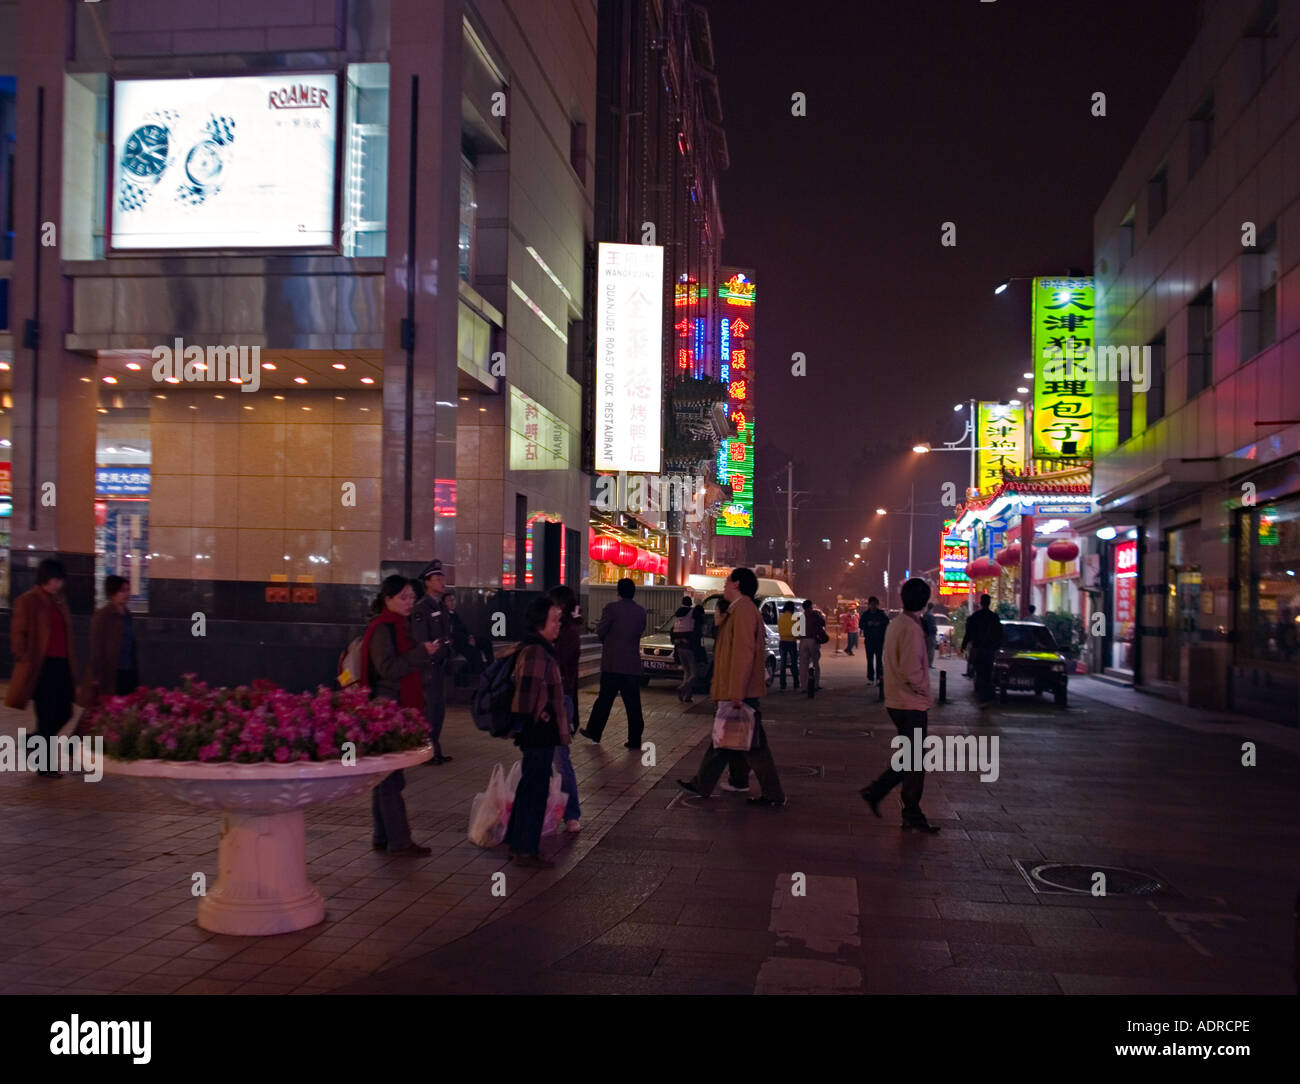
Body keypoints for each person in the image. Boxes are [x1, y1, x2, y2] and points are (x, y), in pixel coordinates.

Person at [678, 567, 785, 807]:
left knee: (752, 746)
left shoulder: (744, 611)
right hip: (735, 690)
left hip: (739, 692)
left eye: (727, 582)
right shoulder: (737, 611)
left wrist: (736, 691)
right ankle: (713, 782)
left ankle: (773, 793)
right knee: (726, 741)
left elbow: (743, 655)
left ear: (736, 584)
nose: (724, 586)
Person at [362, 575, 440, 855]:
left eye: (411, 597)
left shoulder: (398, 626)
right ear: (388, 599)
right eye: (403, 597)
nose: (409, 602)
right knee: (390, 777)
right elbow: (388, 669)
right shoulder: (383, 628)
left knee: (386, 776)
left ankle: (383, 836)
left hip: (395, 707)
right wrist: (421, 653)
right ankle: (399, 841)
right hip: (387, 708)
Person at [860, 578, 940, 833]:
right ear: (925, 601)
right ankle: (905, 808)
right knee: (915, 759)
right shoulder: (911, 629)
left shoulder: (897, 624)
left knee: (912, 756)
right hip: (910, 702)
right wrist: (925, 691)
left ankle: (882, 794)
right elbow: (910, 669)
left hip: (898, 699)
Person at [504, 594, 569, 868]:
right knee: (535, 789)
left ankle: (518, 842)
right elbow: (525, 698)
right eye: (554, 620)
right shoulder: (536, 652)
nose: (558, 625)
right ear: (540, 622)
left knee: (530, 785)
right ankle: (525, 849)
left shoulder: (541, 649)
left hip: (540, 732)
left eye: (559, 620)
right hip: (538, 733)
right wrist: (538, 718)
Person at [7, 559, 78, 778]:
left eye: (60, 580)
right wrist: (24, 657)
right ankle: (45, 766)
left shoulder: (59, 601)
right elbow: (18, 634)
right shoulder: (27, 601)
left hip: (61, 664)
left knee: (66, 710)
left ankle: (30, 741)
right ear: (46, 578)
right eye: (55, 580)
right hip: (41, 667)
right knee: (46, 716)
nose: (58, 584)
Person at [579, 577, 647, 749]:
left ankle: (594, 731)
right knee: (633, 705)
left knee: (604, 700)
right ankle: (635, 739)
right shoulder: (641, 612)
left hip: (613, 663)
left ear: (618, 591)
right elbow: (640, 631)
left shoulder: (611, 609)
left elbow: (600, 631)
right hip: (631, 664)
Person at [410, 560, 454, 765]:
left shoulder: (440, 606)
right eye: (437, 579)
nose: (442, 582)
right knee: (431, 710)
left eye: (442, 578)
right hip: (429, 667)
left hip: (441, 666)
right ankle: (427, 751)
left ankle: (434, 748)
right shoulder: (421, 609)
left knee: (439, 710)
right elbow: (422, 640)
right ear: (427, 583)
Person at [548, 585, 583, 832]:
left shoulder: (569, 634)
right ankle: (549, 811)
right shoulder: (549, 632)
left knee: (561, 759)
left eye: (558, 606)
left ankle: (571, 813)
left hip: (561, 699)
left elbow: (565, 673)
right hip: (543, 700)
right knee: (541, 759)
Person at [79, 574, 139, 710]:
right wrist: (96, 675)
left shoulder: (127, 614)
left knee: (127, 708)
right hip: (111, 671)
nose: (126, 594)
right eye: (122, 590)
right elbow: (97, 646)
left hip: (128, 669)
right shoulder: (103, 615)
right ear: (112, 593)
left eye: (128, 590)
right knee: (111, 709)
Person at [961, 593, 1004, 706]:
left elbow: (968, 633)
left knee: (980, 672)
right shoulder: (994, 617)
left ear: (981, 602)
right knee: (988, 672)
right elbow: (1000, 634)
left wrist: (964, 645)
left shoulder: (975, 616)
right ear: (989, 603)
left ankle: (984, 696)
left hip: (978, 649)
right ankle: (987, 696)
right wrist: (997, 646)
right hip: (990, 650)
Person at [444, 589, 494, 677]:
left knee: (486, 642)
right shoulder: (445, 616)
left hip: (465, 639)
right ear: (444, 603)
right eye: (449, 601)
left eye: (453, 600)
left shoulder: (454, 613)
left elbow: (463, 628)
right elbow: (453, 633)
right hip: (458, 642)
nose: (452, 602)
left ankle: (491, 666)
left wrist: (470, 636)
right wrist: (468, 640)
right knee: (475, 654)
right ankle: (464, 673)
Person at [670, 594, 704, 703]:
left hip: (679, 646)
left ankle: (687, 696)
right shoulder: (693, 613)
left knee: (687, 671)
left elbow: (673, 630)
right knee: (694, 673)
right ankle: (683, 688)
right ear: (690, 603)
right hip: (690, 645)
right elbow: (698, 627)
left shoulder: (678, 614)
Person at [798, 598, 826, 698]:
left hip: (803, 641)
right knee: (815, 663)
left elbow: (798, 630)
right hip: (813, 641)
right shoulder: (815, 615)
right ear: (811, 606)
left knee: (803, 665)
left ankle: (804, 687)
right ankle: (815, 685)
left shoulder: (801, 616)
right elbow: (823, 623)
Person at [859, 597, 889, 684]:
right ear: (869, 605)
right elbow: (860, 625)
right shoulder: (865, 614)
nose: (873, 606)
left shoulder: (881, 614)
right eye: (872, 604)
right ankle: (870, 678)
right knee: (869, 659)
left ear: (877, 605)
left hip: (879, 640)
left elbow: (886, 623)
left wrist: (879, 624)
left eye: (875, 604)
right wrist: (867, 624)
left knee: (879, 659)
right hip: (869, 640)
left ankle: (879, 677)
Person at [777, 600, 799, 691]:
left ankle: (782, 685)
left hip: (782, 641)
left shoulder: (780, 618)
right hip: (792, 641)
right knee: (794, 663)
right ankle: (796, 684)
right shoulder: (795, 618)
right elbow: (798, 631)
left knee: (783, 664)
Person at [921, 603, 938, 670]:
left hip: (925, 635)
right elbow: (933, 626)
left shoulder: (925, 615)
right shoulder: (931, 616)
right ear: (932, 608)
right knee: (931, 650)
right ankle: (929, 664)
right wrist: (935, 631)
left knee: (926, 650)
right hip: (931, 635)